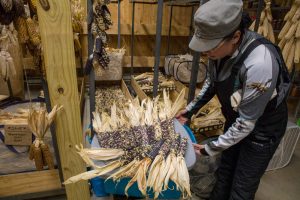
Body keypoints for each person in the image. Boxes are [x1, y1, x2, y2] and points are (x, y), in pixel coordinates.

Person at [176, 0, 291, 199]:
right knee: (225, 171)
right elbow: (212, 83)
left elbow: (246, 123)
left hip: (262, 130)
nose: (205, 52)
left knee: (242, 184)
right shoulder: (218, 53)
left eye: (210, 46)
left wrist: (210, 148)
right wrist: (190, 111)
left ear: (235, 36)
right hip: (235, 119)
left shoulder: (260, 63)